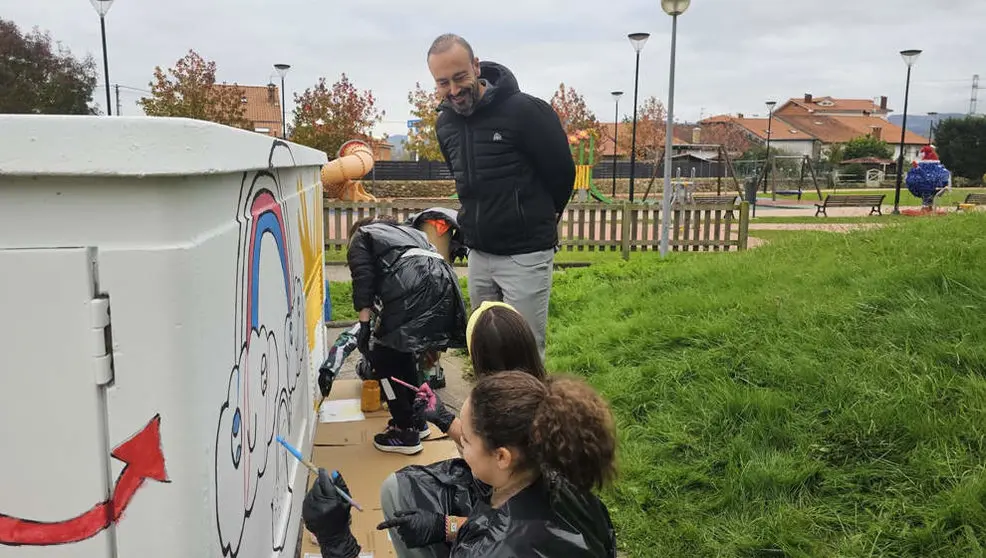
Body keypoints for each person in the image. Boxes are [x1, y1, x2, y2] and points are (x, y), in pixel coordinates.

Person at [302, 371, 618, 557]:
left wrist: (338, 544)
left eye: (464, 440)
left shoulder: (486, 551)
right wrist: (447, 526)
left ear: (503, 456)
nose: (460, 447)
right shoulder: (571, 490)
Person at [427, 33, 576, 360]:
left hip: (525, 254)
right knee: (483, 345)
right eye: (443, 82)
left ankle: (529, 410)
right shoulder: (445, 124)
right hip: (479, 254)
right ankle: (491, 410)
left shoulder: (526, 111)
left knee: (524, 349)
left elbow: (562, 173)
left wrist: (542, 218)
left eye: (460, 77)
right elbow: (463, 180)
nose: (453, 90)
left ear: (476, 67)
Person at [347, 215, 467, 455]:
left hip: (413, 288)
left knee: (381, 358)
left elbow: (364, 281)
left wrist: (364, 326)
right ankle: (417, 418)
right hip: (443, 284)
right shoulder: (405, 233)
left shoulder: (362, 237)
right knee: (402, 352)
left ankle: (404, 431)